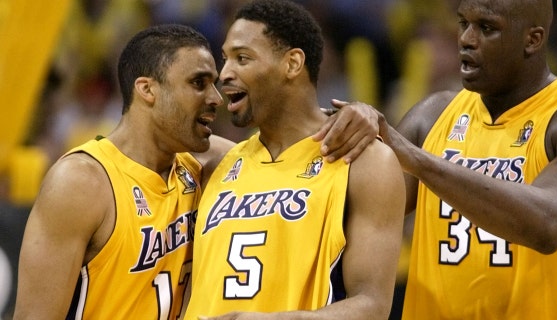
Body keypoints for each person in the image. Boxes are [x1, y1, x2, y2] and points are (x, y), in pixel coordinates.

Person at [13, 24, 377, 319]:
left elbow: (296, 157)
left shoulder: (210, 163)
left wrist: (360, 115)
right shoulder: (82, 182)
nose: (216, 98)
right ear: (147, 90)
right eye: (198, 83)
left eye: (215, 84)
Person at [328, 0, 557, 318]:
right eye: (463, 24)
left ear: (533, 39)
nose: (466, 39)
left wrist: (417, 160)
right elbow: (351, 215)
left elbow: (549, 224)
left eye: (487, 28)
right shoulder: (432, 116)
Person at [184, 1, 406, 319]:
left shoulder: (363, 161)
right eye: (225, 59)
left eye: (242, 58)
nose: (225, 74)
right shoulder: (217, 163)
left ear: (292, 63)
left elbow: (372, 306)